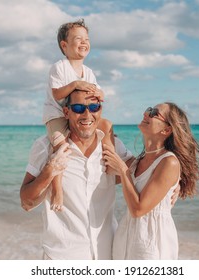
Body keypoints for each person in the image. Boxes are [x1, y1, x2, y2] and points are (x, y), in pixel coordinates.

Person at [20, 90, 132, 260]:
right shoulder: (45, 147)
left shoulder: (113, 146)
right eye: (79, 108)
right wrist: (50, 170)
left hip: (107, 253)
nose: (87, 114)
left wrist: (175, 183)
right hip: (63, 256)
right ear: (66, 112)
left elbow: (142, 173)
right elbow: (26, 202)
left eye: (94, 107)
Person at [103, 102, 199, 259]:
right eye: (148, 110)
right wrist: (107, 133)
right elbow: (107, 171)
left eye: (154, 113)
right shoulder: (138, 161)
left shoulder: (169, 162)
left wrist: (123, 171)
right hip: (125, 237)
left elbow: (138, 209)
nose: (146, 113)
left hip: (151, 241)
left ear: (166, 130)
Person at [42, 19, 115, 212]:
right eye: (78, 39)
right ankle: (57, 187)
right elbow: (57, 94)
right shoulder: (59, 67)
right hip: (57, 114)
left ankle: (109, 162)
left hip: (79, 116)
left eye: (87, 39)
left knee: (107, 124)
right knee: (61, 147)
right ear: (64, 45)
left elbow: (97, 92)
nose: (84, 42)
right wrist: (75, 84)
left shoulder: (88, 72)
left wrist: (100, 94)